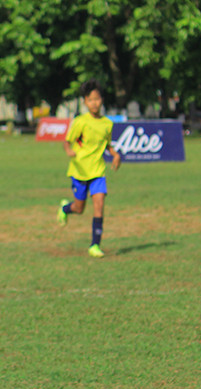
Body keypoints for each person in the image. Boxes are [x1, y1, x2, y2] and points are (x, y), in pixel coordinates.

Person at [56, 79, 121, 258]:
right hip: (80, 171)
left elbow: (107, 144)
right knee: (79, 208)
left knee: (99, 206)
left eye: (97, 99)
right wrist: (69, 151)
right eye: (90, 100)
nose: (94, 103)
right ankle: (65, 209)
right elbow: (67, 142)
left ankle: (94, 246)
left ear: (101, 100)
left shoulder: (107, 124)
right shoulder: (79, 122)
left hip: (98, 171)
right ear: (85, 101)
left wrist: (115, 154)